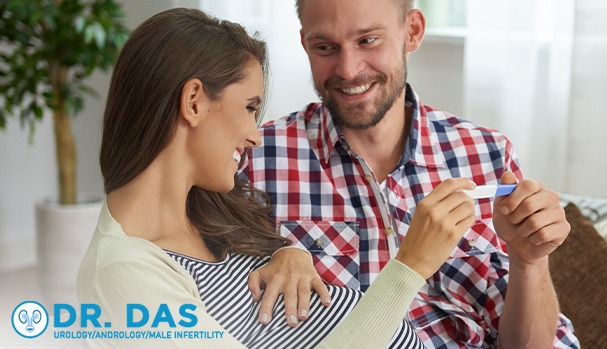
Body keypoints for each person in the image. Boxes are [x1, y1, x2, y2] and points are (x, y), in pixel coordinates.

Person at [78, 7, 480, 349]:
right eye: (250, 107)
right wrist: (409, 266)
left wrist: (290, 254)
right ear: (194, 101)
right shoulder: (123, 273)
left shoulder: (206, 207)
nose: (255, 133)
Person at [245, 0, 580, 348]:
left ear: (413, 32)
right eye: (325, 47)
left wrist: (530, 263)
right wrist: (284, 253)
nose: (347, 69)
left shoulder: (487, 153)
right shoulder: (256, 159)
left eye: (368, 40)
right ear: (305, 45)